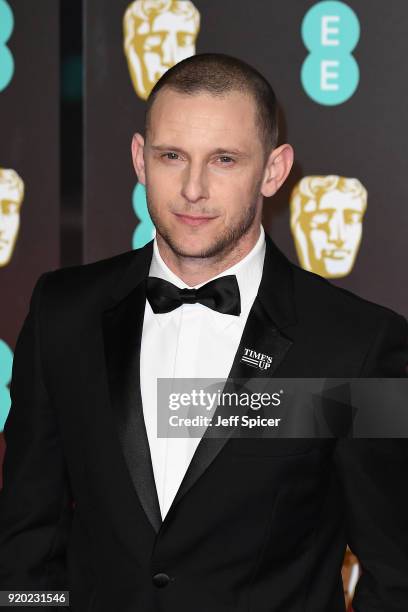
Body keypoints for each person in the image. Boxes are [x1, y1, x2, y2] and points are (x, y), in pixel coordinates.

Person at [0, 53, 407, 612]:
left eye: (224, 159)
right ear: (140, 159)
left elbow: (397, 570)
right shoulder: (62, 313)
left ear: (274, 169)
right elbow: (27, 537)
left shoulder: (357, 346)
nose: (193, 188)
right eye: (172, 156)